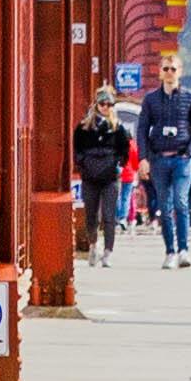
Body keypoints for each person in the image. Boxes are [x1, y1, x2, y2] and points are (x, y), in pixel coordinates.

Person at [136, 54, 191, 264]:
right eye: (166, 69)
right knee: (165, 206)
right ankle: (170, 251)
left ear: (180, 72)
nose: (169, 73)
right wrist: (143, 158)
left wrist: (189, 152)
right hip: (159, 159)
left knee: (180, 202)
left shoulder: (190, 97)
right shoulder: (151, 100)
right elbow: (142, 129)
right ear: (160, 72)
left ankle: (184, 250)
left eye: (173, 69)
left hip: (182, 159)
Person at [68, 83, 136, 262]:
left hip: (110, 177)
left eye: (109, 104)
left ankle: (108, 252)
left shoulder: (118, 128)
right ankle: (93, 245)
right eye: (102, 104)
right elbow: (77, 149)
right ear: (96, 105)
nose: (106, 107)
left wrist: (119, 166)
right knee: (91, 214)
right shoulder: (84, 127)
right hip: (90, 177)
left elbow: (125, 150)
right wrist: (82, 164)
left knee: (108, 215)